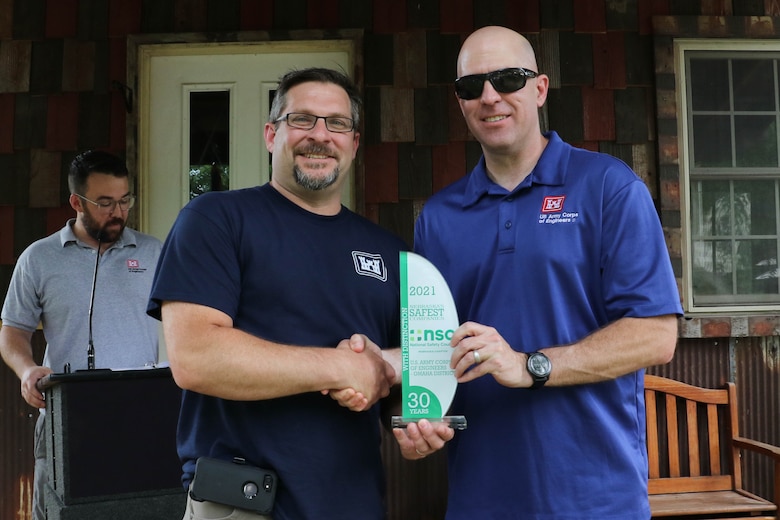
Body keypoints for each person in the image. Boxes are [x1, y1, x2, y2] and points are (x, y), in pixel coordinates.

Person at [147, 67, 451, 520]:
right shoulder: (217, 219)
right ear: (272, 134)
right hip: (244, 504)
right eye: (302, 120)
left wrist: (414, 422)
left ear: (354, 142)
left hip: (353, 501)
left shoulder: (387, 251)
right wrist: (341, 367)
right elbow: (196, 357)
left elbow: (388, 378)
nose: (320, 135)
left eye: (337, 123)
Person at [407, 26, 683, 519]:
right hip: (480, 499)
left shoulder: (608, 188)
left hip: (596, 498)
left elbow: (655, 336)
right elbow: (432, 351)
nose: (490, 97)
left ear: (539, 88)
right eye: (472, 87)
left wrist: (530, 366)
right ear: (460, 102)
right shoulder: (439, 217)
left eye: (507, 79)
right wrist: (422, 422)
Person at [0, 150, 162, 520]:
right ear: (76, 201)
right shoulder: (38, 259)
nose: (118, 212)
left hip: (141, 416)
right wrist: (26, 370)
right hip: (65, 418)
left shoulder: (154, 253)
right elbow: (13, 332)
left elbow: (189, 321)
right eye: (105, 203)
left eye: (125, 201)